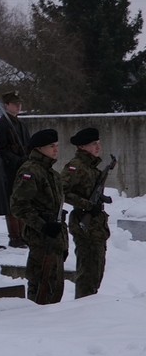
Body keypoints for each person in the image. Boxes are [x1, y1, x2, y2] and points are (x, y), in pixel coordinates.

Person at [9, 128, 66, 305]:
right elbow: (18, 206)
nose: (56, 149)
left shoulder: (52, 173)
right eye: (51, 146)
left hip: (54, 238)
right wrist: (42, 225)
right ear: (39, 148)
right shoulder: (31, 171)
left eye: (57, 145)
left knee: (55, 288)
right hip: (41, 239)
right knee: (41, 288)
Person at [61, 127, 110, 299]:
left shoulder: (91, 167)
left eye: (98, 143)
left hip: (96, 227)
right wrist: (87, 205)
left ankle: (89, 304)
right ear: (82, 147)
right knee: (87, 274)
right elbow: (62, 191)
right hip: (85, 225)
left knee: (96, 272)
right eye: (93, 144)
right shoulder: (76, 166)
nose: (98, 147)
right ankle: (83, 306)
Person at [0, 92, 32, 247]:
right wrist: (17, 160)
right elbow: (1, 149)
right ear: (6, 105)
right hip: (9, 169)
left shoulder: (21, 124)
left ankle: (23, 234)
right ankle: (14, 236)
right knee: (12, 201)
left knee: (23, 199)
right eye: (14, 103)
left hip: (23, 167)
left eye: (19, 103)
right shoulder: (1, 125)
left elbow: (28, 144)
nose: (18, 106)